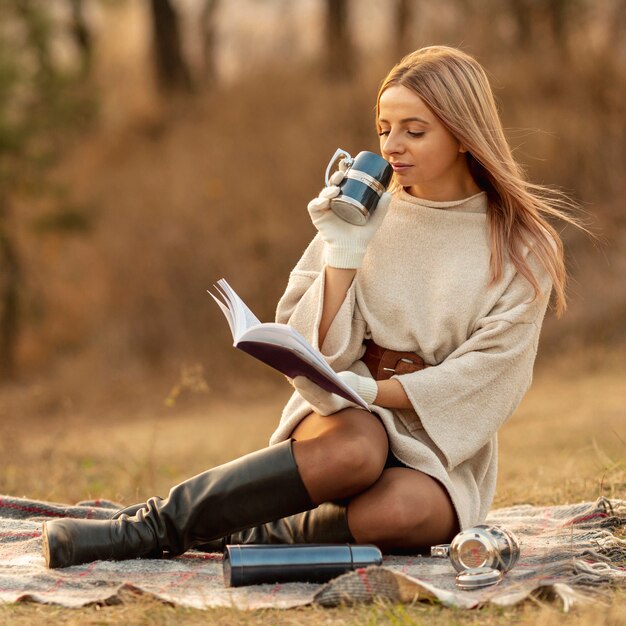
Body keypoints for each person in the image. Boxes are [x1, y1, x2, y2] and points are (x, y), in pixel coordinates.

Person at [42, 45, 579, 568]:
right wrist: (343, 252)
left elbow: (491, 374)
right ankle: (148, 529)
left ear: (464, 135)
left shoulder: (522, 245)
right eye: (384, 129)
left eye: (415, 130)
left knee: (402, 510)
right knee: (357, 450)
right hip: (344, 418)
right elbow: (314, 356)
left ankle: (245, 526)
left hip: (440, 442)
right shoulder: (363, 210)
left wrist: (382, 391)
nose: (393, 146)